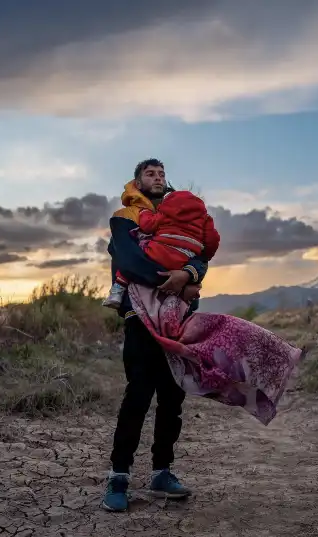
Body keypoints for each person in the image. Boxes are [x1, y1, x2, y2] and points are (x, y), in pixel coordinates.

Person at [102, 158, 209, 513]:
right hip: (138, 316)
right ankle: (119, 476)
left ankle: (163, 472)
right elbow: (130, 263)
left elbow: (201, 253)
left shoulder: (181, 214)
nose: (158, 178)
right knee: (137, 398)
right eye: (150, 174)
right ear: (137, 182)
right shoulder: (125, 216)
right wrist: (178, 280)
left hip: (177, 319)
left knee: (173, 397)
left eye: (162, 174)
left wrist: (191, 271)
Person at [102, 188, 220, 309]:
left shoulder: (166, 211)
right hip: (184, 259)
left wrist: (144, 213)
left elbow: (148, 225)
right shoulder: (205, 218)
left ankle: (117, 290)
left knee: (137, 249)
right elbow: (212, 241)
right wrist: (204, 254)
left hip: (159, 252)